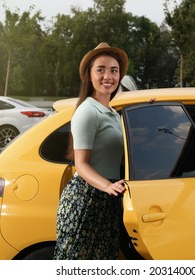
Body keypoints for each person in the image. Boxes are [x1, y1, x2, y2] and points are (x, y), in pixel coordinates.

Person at [53, 42, 127, 260]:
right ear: (89, 75)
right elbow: (81, 164)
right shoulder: (87, 111)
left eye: (114, 71)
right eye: (100, 70)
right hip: (86, 200)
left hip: (106, 199)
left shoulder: (112, 112)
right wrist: (107, 186)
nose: (108, 76)